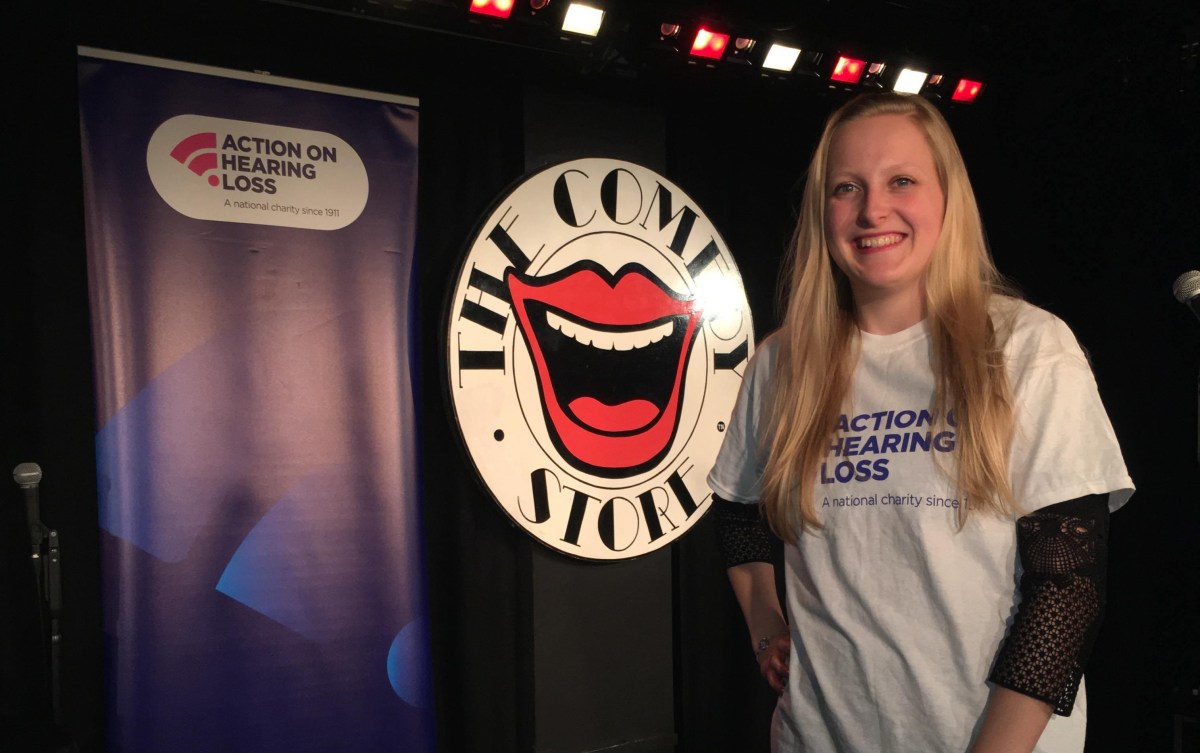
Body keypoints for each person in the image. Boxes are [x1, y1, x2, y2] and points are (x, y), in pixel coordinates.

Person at [707, 92, 1134, 753]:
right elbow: (738, 511)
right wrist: (769, 628)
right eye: (846, 188)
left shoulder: (1027, 346)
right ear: (824, 212)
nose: (873, 209)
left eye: (900, 180)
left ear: (946, 198)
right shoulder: (782, 362)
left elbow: (1067, 588)